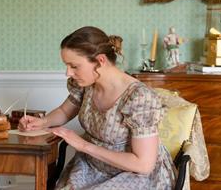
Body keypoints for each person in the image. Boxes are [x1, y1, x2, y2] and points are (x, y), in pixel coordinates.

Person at [18, 26, 176, 189]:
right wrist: (42, 122)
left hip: (134, 175)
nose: (68, 73)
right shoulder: (85, 84)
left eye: (74, 66)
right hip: (92, 167)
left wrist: (83, 145)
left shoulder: (139, 98)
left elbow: (143, 165)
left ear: (100, 61)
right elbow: (65, 111)